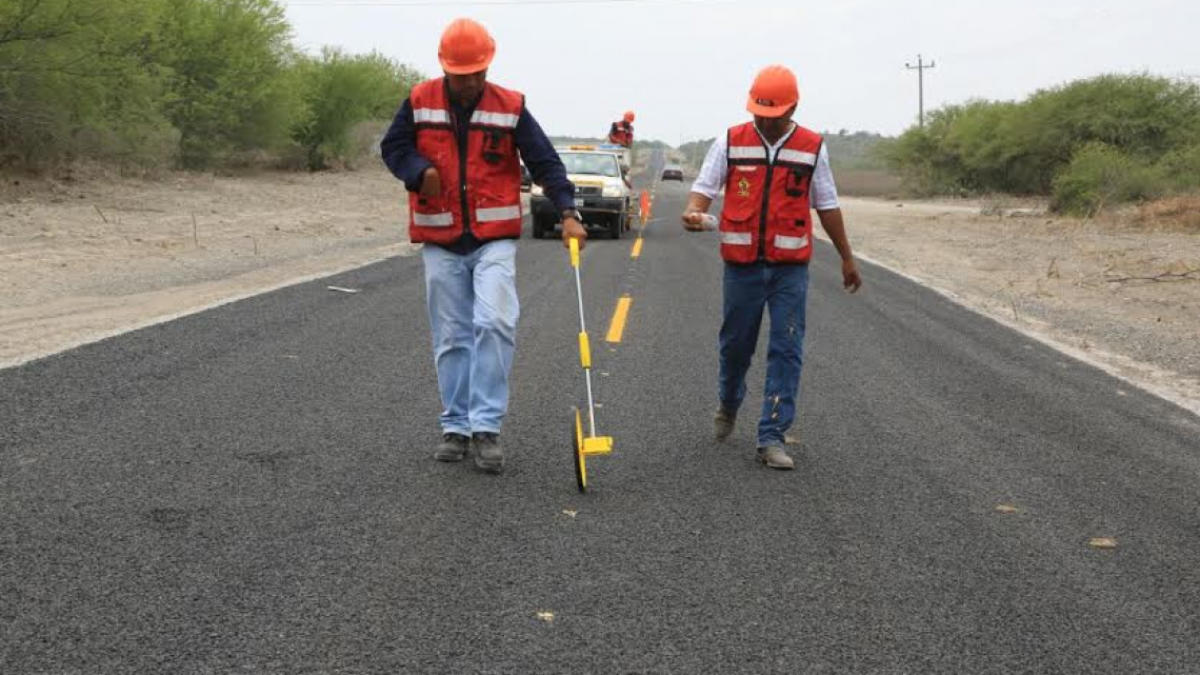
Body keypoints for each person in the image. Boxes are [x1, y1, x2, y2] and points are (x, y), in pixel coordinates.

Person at [381, 18, 587, 474]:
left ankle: (486, 427)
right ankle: (455, 426)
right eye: (461, 74)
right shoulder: (419, 101)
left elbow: (544, 162)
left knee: (494, 322)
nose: (470, 81)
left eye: (478, 72)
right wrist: (418, 171)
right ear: (445, 68)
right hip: (441, 238)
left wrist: (568, 212)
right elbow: (393, 148)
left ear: (488, 65)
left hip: (493, 238)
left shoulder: (510, 106)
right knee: (452, 335)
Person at [681, 65, 863, 471]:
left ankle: (772, 436)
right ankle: (729, 402)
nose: (763, 119)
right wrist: (694, 213)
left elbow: (828, 204)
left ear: (792, 107)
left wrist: (847, 257)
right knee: (736, 347)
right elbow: (703, 191)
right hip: (741, 268)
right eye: (758, 111)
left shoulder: (812, 147)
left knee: (787, 349)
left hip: (789, 270)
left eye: (773, 112)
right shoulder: (729, 141)